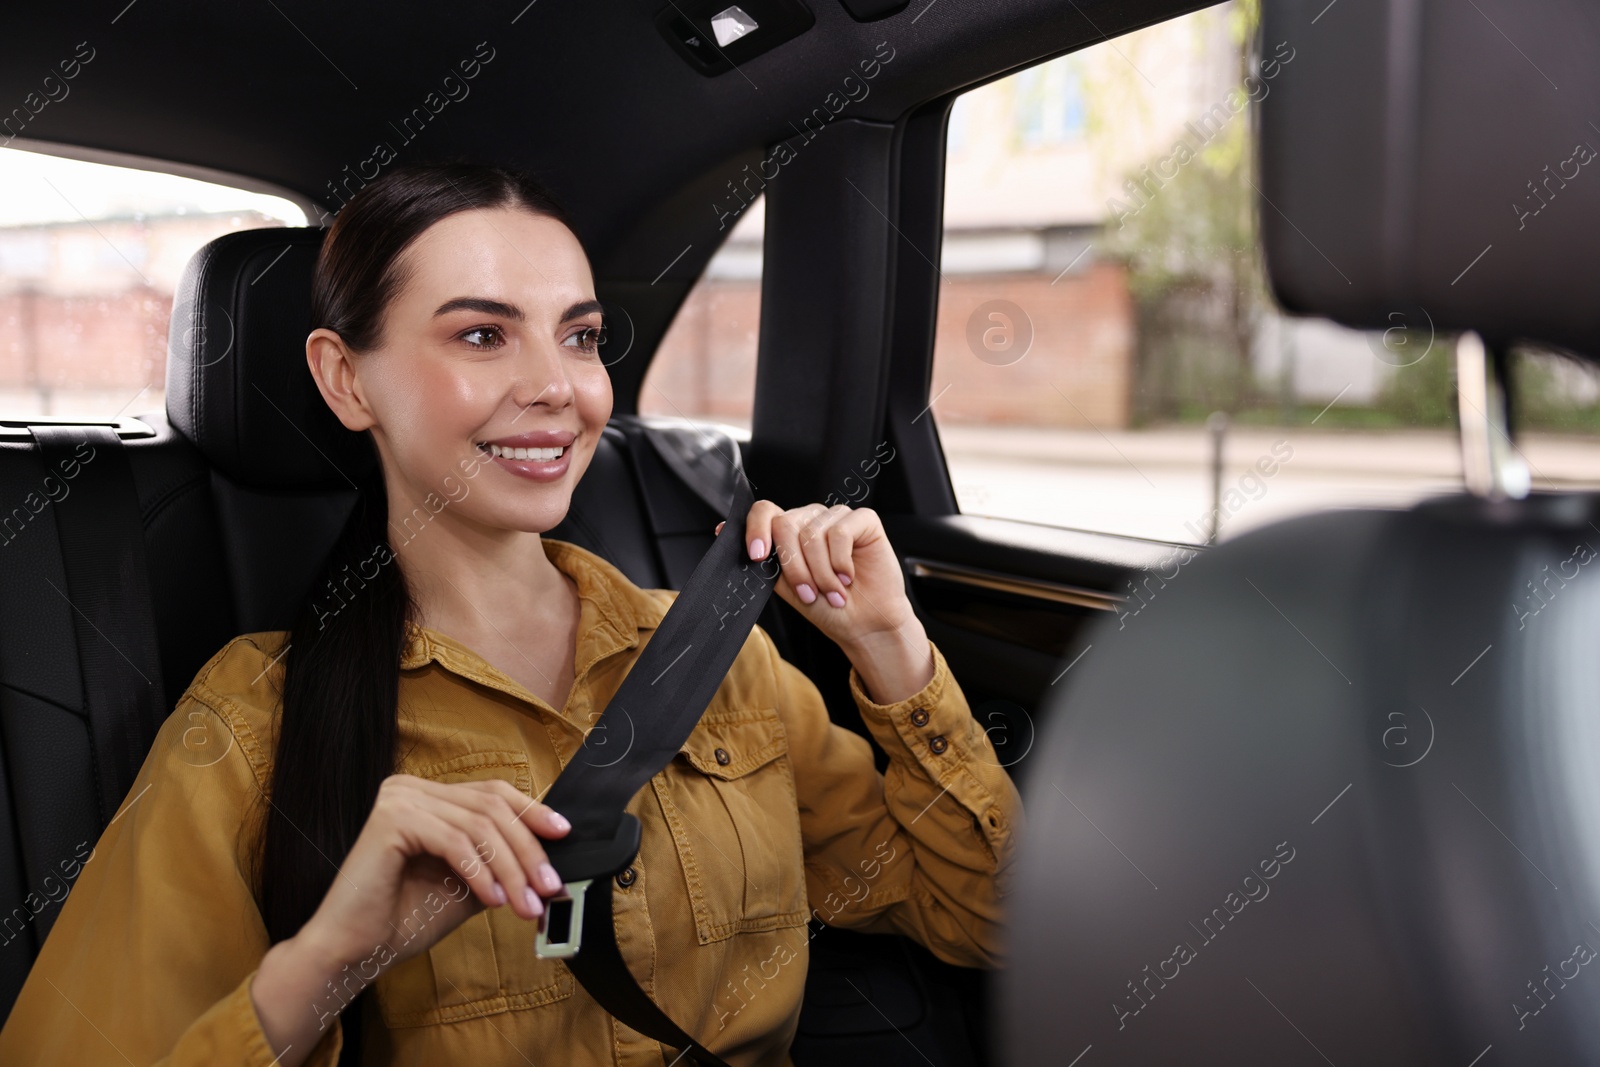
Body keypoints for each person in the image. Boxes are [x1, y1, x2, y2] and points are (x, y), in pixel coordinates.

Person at [0, 163, 1023, 1067]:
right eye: (483, 334)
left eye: (579, 336)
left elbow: (986, 923)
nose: (557, 387)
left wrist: (891, 648)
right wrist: (330, 957)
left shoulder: (722, 661)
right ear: (344, 377)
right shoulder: (254, 724)